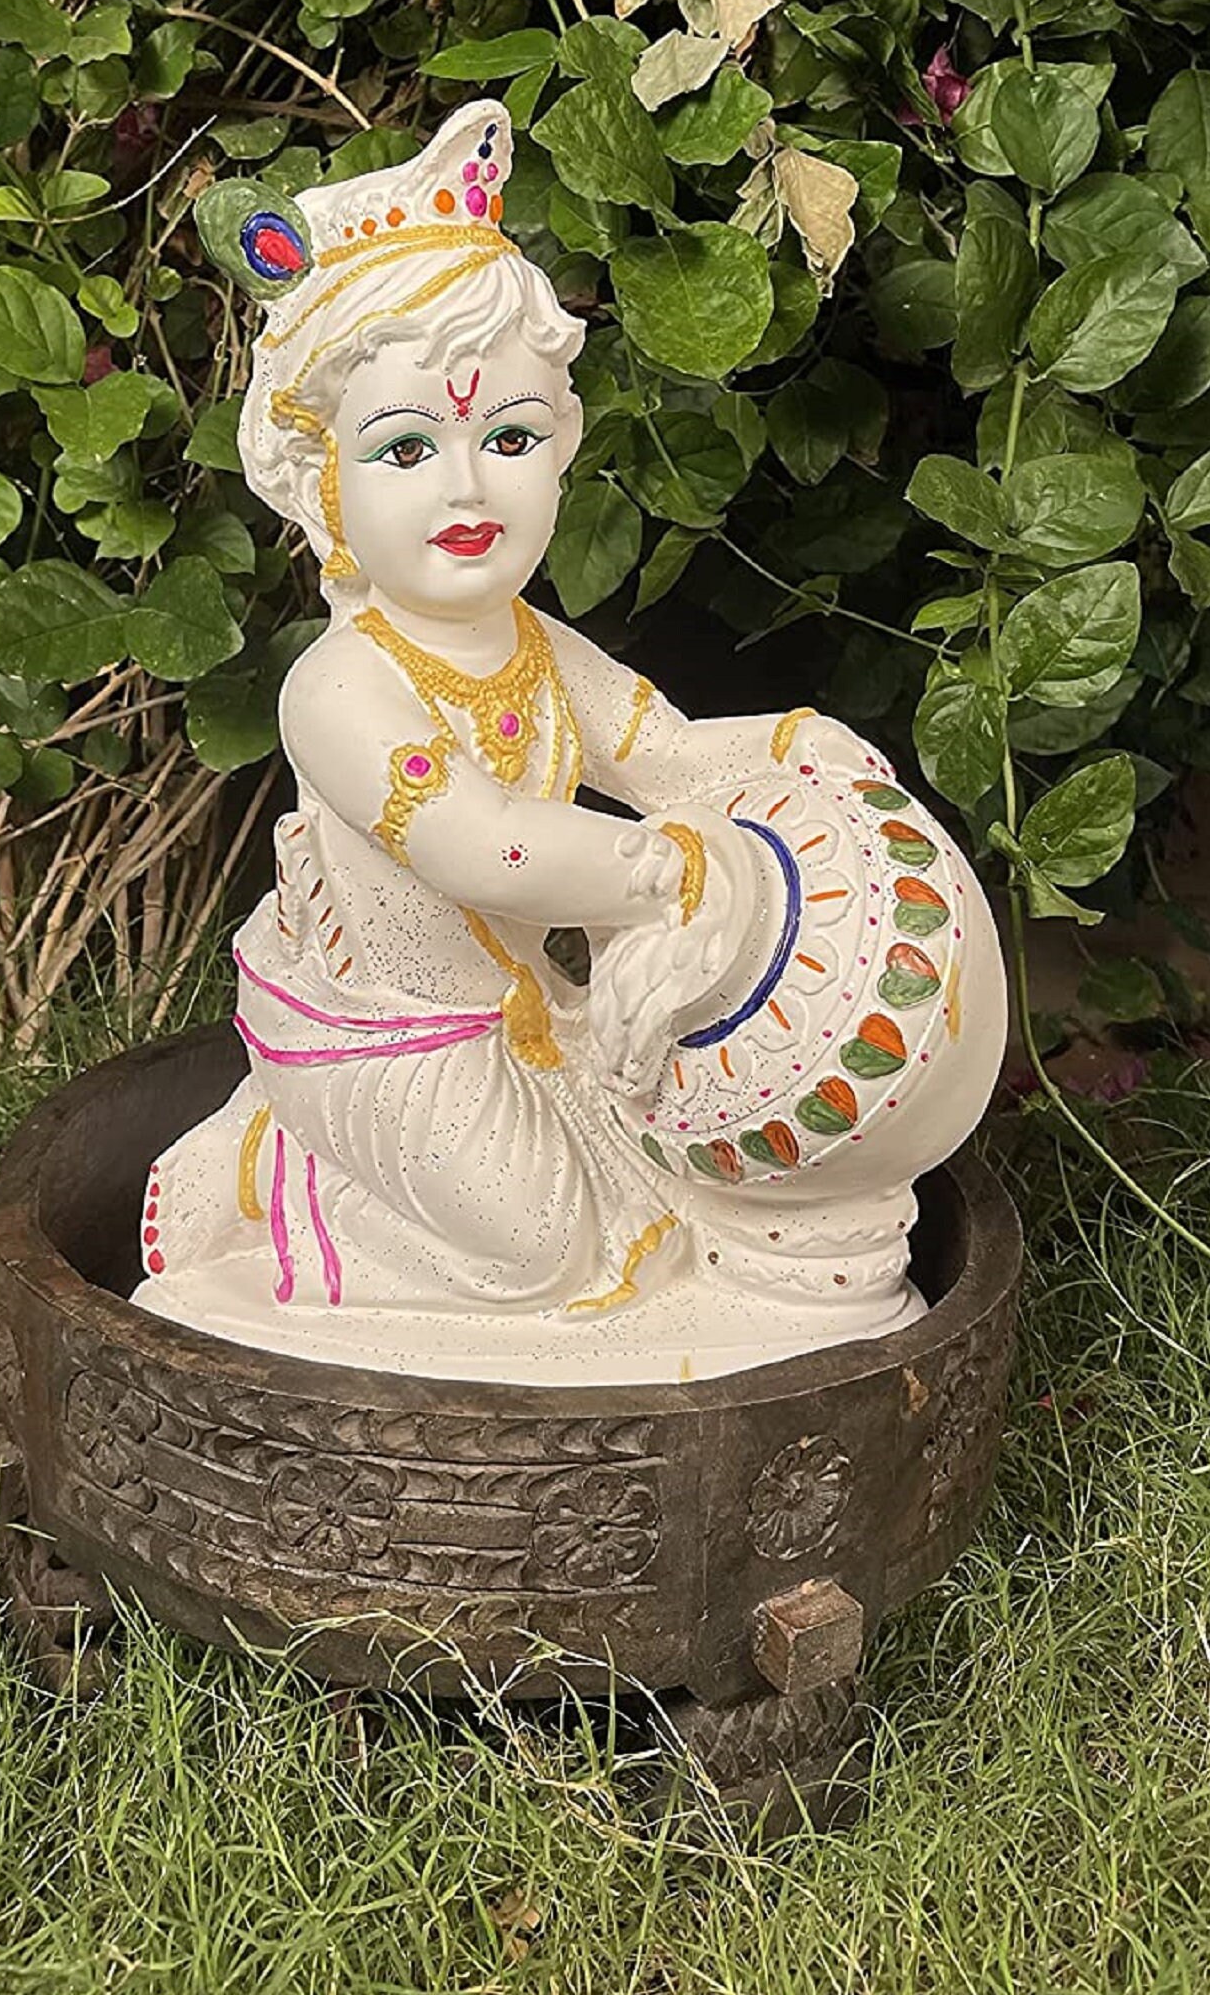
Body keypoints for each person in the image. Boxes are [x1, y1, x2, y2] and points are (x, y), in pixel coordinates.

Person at [133, 101, 1004, 1380]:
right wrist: (668, 873)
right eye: (408, 447)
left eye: (511, 438)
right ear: (321, 483)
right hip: (392, 1032)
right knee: (556, 1243)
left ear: (565, 450)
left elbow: (669, 748)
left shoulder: (531, 642)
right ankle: (282, 1170)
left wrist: (805, 745)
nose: (468, 487)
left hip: (526, 1007)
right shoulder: (339, 687)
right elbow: (480, 849)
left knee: (656, 1198)